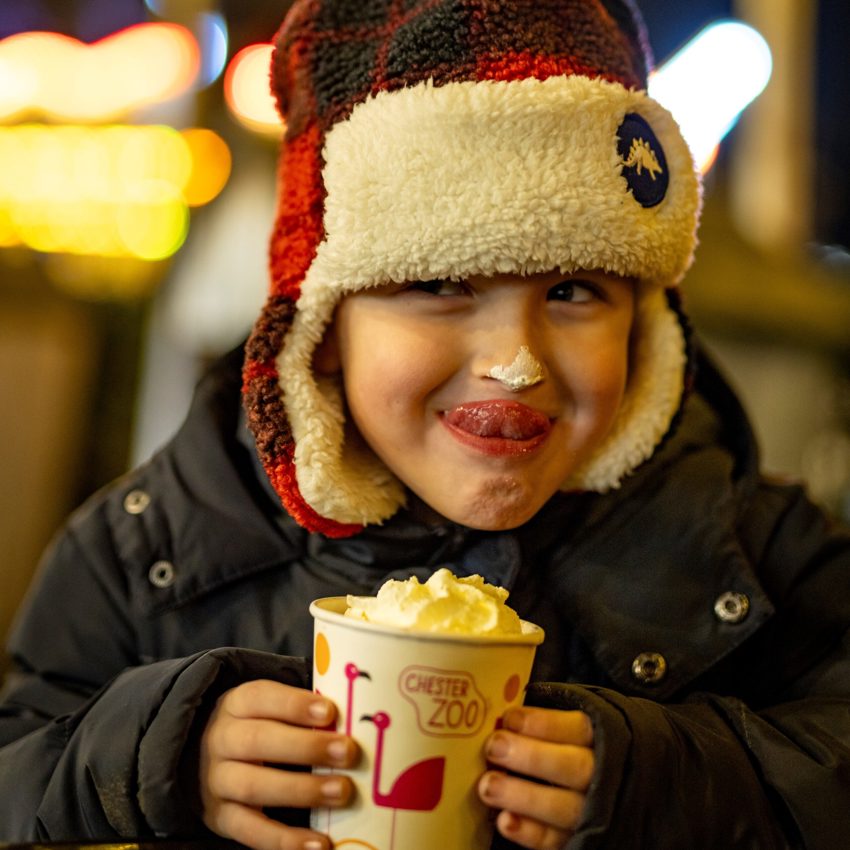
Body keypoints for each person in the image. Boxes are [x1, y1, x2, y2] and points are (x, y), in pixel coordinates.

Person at [1, 1, 848, 848]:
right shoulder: (149, 553)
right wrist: (158, 758)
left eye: (573, 291)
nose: (517, 361)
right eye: (442, 285)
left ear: (642, 322)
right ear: (323, 329)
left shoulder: (755, 550)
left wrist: (665, 784)